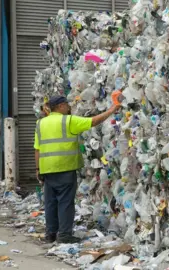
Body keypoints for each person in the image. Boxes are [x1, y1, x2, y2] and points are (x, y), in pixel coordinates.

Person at [34, 95, 120, 243]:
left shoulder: (40, 123)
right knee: (65, 202)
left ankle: (50, 234)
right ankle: (65, 235)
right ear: (60, 106)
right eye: (67, 104)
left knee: (50, 202)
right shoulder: (68, 121)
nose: (69, 107)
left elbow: (37, 149)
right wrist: (112, 109)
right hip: (65, 167)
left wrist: (38, 169)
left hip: (47, 169)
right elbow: (93, 121)